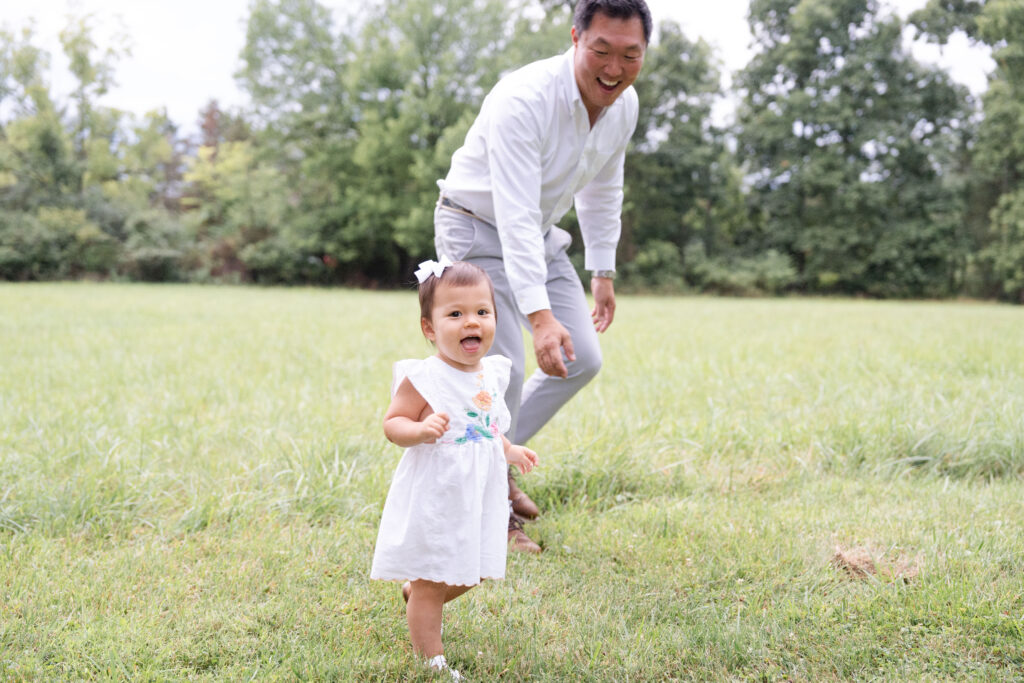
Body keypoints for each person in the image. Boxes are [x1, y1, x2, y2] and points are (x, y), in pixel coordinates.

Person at [433, 0, 651, 551]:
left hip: (539, 233)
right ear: (575, 37)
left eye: (630, 55)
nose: (614, 68)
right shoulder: (523, 99)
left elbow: (604, 188)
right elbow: (511, 213)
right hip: (476, 229)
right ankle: (489, 509)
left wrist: (602, 270)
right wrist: (540, 316)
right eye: (601, 50)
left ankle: (491, 458)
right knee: (498, 372)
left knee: (583, 359)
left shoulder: (624, 106)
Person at [370, 258, 539, 680]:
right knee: (432, 577)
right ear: (430, 328)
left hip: (477, 497)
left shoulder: (491, 375)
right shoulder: (426, 378)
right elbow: (393, 424)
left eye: (482, 312)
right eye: (456, 314)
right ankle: (432, 658)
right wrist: (421, 429)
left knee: (474, 570)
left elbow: (482, 427)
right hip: (437, 494)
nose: (472, 322)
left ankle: (414, 597)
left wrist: (508, 448)